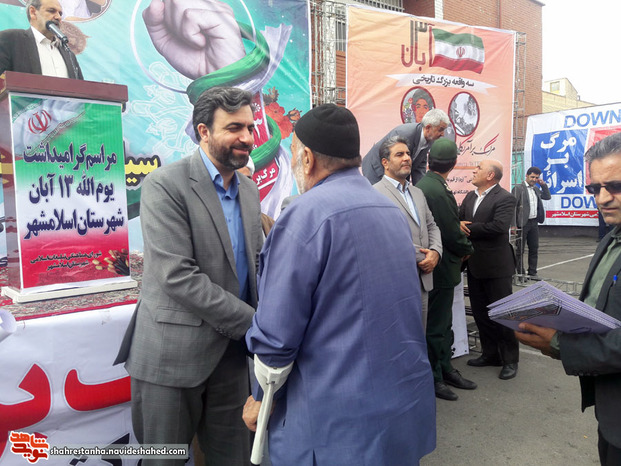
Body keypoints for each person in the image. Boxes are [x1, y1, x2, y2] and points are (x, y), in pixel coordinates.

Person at [243, 104, 436, 465]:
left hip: (333, 420)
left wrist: (261, 397)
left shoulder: (304, 217)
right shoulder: (390, 212)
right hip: (398, 407)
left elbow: (276, 336)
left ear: (307, 158)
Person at [114, 87, 263, 466]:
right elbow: (178, 276)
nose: (247, 137)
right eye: (234, 128)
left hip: (232, 360)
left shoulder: (248, 190)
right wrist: (258, 324)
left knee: (235, 459)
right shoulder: (165, 184)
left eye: (250, 127)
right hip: (172, 356)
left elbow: (255, 267)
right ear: (203, 131)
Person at [516, 132, 621, 465]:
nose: (603, 198)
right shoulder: (610, 240)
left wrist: (560, 343)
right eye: (595, 188)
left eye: (615, 186)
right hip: (610, 412)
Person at [417, 139, 477, 401]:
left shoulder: (428, 184)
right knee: (437, 326)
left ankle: (444, 368)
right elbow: (449, 232)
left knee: (443, 323)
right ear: (453, 163)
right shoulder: (436, 189)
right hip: (440, 267)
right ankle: (435, 377)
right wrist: (467, 247)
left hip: (438, 265)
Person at [459, 160, 519, 380]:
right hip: (475, 265)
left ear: (490, 175)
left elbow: (498, 227)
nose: (474, 171)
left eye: (479, 169)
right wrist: (458, 225)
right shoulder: (470, 196)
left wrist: (467, 228)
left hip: (497, 267)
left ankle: (510, 360)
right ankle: (490, 354)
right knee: (481, 314)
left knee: (502, 314)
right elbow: (459, 219)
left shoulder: (505, 198)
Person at [374, 135, 442, 328]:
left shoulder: (417, 193)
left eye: (408, 154)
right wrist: (424, 257)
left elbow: (431, 225)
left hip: (423, 280)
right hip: (395, 282)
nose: (406, 158)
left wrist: (436, 252)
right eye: (399, 154)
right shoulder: (375, 194)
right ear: (385, 163)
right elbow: (383, 237)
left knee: (420, 335)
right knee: (398, 336)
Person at [362, 108, 450, 185]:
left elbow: (419, 167)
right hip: (376, 168)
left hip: (396, 172)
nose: (443, 134)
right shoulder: (404, 134)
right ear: (428, 128)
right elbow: (391, 160)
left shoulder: (429, 140)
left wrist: (421, 190)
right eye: (440, 129)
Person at [0, 0, 84, 79]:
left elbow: (80, 86)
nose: (58, 17)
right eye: (51, 11)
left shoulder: (69, 54)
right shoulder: (10, 40)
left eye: (60, 13)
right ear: (33, 12)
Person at [512, 166, 551, 277]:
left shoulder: (536, 189)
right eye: (532, 177)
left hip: (534, 223)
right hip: (522, 223)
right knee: (519, 250)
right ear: (527, 175)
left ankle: (533, 272)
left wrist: (543, 185)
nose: (534, 179)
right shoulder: (518, 188)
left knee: (534, 248)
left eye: (536, 178)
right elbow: (512, 207)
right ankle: (520, 273)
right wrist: (513, 225)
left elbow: (547, 197)